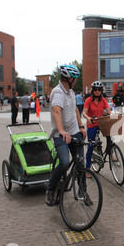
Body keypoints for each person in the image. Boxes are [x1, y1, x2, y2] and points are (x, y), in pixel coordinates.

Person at [46, 64, 86, 206]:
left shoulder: (71, 92)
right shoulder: (58, 93)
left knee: (80, 162)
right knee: (63, 163)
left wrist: (81, 126)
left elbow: (75, 109)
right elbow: (56, 111)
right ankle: (50, 189)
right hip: (60, 134)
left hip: (75, 131)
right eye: (74, 78)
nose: (75, 80)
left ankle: (83, 191)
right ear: (69, 78)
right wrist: (62, 131)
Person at [82, 81, 112, 177]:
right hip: (92, 124)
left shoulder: (103, 100)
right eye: (95, 90)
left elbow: (108, 110)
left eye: (99, 90)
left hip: (101, 122)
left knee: (109, 136)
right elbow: (84, 113)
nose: (97, 91)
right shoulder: (88, 100)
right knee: (91, 146)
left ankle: (110, 152)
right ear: (92, 90)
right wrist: (88, 118)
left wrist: (114, 116)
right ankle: (87, 168)